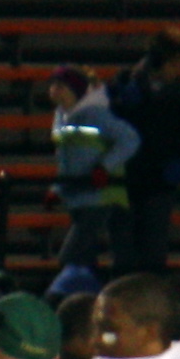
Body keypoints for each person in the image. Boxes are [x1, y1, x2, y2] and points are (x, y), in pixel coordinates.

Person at [106, 27, 180, 284]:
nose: (178, 70)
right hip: (123, 178)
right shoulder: (123, 83)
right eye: (175, 63)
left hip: (159, 182)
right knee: (123, 252)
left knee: (154, 251)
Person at [44, 64, 140, 288]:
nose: (54, 89)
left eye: (61, 85)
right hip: (78, 196)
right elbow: (66, 161)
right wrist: (57, 189)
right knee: (85, 259)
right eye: (53, 84)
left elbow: (130, 139)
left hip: (100, 196)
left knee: (71, 256)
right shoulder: (61, 117)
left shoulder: (96, 114)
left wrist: (104, 167)